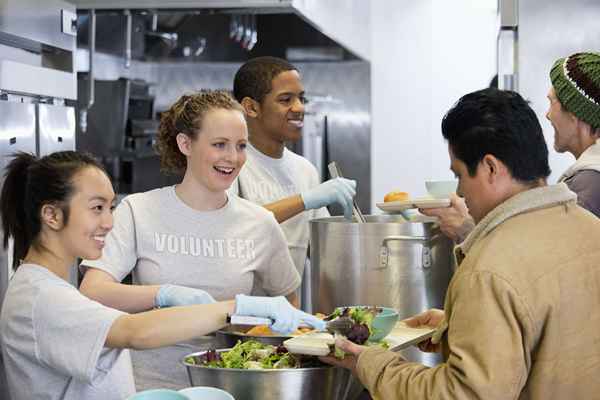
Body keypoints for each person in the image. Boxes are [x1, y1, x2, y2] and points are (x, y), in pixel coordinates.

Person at [322, 88, 600, 399]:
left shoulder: (490, 268)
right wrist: (461, 328)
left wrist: (372, 364)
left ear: (490, 168)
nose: (460, 191)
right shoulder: (589, 228)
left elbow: (464, 394)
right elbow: (556, 335)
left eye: (459, 176)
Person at [0, 151, 320, 400]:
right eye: (97, 208)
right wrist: (233, 308)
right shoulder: (40, 297)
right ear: (52, 215)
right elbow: (133, 332)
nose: (109, 223)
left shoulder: (51, 287)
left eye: (111, 207)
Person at [78, 91, 323, 390]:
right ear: (185, 144)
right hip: (153, 387)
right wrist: (162, 294)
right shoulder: (138, 210)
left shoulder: (260, 223)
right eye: (219, 144)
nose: (232, 158)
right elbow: (92, 292)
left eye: (241, 146)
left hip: (231, 386)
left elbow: (287, 302)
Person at [422, 51, 600, 241]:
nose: (547, 115)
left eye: (552, 102)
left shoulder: (589, 185)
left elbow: (543, 260)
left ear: (574, 114)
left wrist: (469, 233)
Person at [230, 56, 357, 281]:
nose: (299, 108)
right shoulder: (230, 164)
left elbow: (322, 248)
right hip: (240, 310)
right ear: (251, 107)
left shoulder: (305, 169)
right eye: (286, 99)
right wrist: (304, 200)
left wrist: (373, 229)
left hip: (289, 309)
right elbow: (234, 226)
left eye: (301, 98)